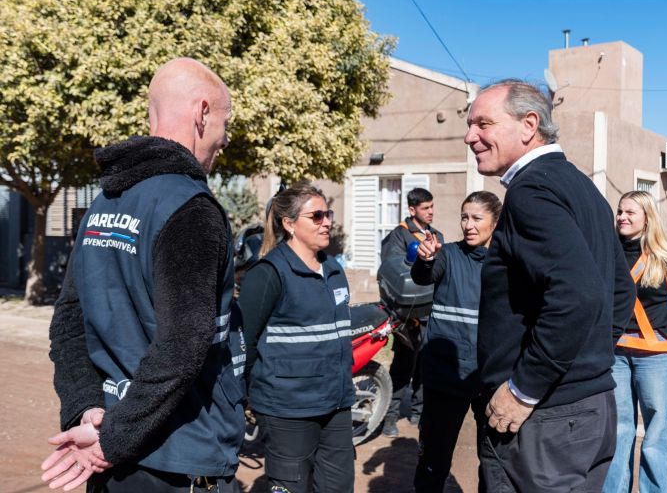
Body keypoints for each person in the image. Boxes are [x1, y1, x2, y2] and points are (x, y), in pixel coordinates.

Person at [42, 58, 246, 492]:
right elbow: (180, 349)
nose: (224, 140)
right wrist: (108, 440)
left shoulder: (102, 205)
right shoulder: (190, 208)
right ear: (202, 112)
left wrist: (89, 411)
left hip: (113, 452)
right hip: (178, 458)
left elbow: (67, 326)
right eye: (224, 124)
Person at [466, 79, 637, 492]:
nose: (471, 136)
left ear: (529, 125)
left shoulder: (533, 191)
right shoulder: (582, 188)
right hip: (586, 410)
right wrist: (585, 358)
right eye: (470, 125)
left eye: (483, 123)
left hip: (545, 419)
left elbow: (580, 295)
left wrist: (524, 388)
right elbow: (619, 291)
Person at [238, 182, 354, 493]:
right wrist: (251, 393)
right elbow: (244, 342)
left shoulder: (333, 269)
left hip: (337, 402)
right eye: (316, 216)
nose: (327, 221)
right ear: (289, 224)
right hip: (288, 408)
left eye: (327, 213)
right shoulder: (268, 274)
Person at [602, 191, 667, 493]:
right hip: (615, 356)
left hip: (655, 358)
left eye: (630, 212)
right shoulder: (607, 254)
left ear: (647, 217)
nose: (622, 217)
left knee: (658, 433)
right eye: (620, 211)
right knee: (617, 432)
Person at [411, 190, 502, 492]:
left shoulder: (507, 265)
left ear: (495, 222)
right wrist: (425, 259)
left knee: (493, 463)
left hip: (489, 379)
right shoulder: (448, 255)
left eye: (477, 218)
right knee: (434, 460)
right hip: (446, 377)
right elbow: (425, 274)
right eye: (464, 217)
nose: (468, 225)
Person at [379, 187, 444, 437]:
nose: (430, 212)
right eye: (425, 208)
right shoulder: (399, 236)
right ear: (412, 210)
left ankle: (418, 412)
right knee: (403, 368)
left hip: (430, 312)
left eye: (432, 207)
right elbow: (395, 271)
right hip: (408, 316)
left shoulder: (436, 235)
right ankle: (389, 418)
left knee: (426, 368)